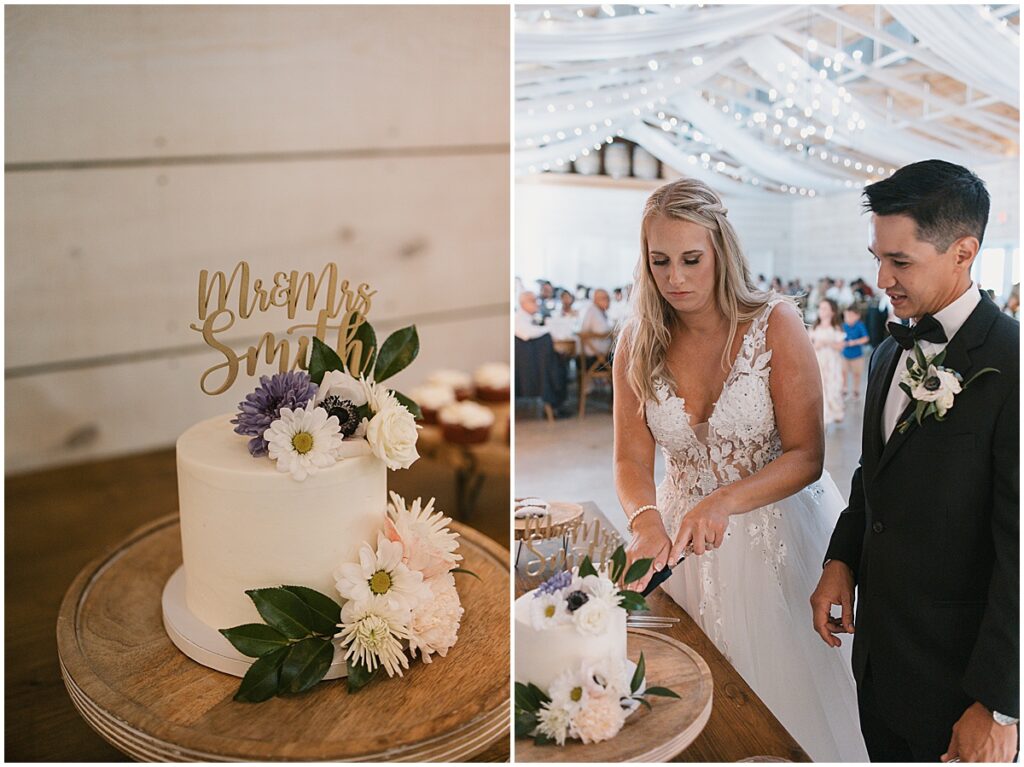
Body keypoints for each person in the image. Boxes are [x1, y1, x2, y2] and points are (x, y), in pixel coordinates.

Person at [615, 178, 867, 761]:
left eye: (690, 259)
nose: (675, 278)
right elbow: (630, 457)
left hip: (776, 535)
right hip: (680, 544)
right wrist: (645, 519)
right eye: (660, 262)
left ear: (721, 251)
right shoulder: (637, 341)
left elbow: (807, 455)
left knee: (782, 712)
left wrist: (726, 500)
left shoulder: (775, 324)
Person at [811, 160, 1019, 762]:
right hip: (879, 661)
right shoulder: (886, 354)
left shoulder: (1013, 368)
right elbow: (872, 478)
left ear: (963, 252)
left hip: (962, 686)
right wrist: (842, 559)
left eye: (900, 262)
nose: (881, 279)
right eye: (877, 257)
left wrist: (1000, 704)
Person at [809, 298, 846, 424]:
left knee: (833, 386)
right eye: (820, 308)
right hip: (818, 361)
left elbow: (840, 346)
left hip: (832, 362)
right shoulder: (815, 327)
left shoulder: (836, 328)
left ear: (832, 312)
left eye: (825, 308)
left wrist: (827, 342)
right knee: (821, 386)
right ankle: (824, 415)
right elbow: (809, 346)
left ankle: (835, 411)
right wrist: (816, 346)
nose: (821, 311)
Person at [841, 306, 870, 399]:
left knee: (857, 374)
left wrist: (855, 342)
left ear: (857, 316)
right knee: (843, 373)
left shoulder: (859, 325)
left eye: (850, 316)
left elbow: (866, 338)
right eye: (846, 316)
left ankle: (856, 390)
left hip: (857, 356)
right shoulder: (843, 326)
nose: (847, 318)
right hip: (845, 354)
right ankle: (844, 389)